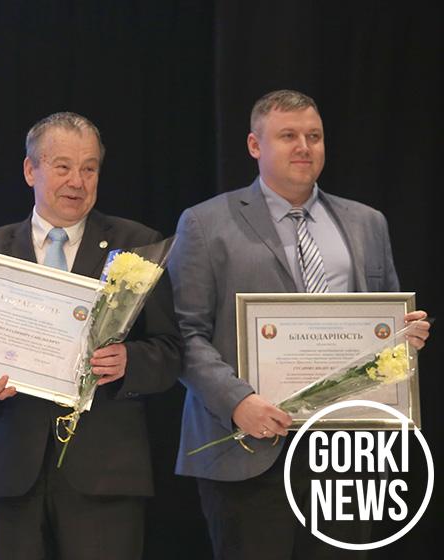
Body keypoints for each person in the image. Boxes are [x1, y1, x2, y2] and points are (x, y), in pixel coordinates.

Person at [168, 89, 431, 559]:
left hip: (346, 452)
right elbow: (184, 335)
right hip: (247, 447)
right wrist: (237, 402)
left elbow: (385, 323)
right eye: (288, 136)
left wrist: (406, 335)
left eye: (314, 136)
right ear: (255, 145)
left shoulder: (367, 222)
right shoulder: (205, 224)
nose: (304, 147)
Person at [0, 112, 183, 560]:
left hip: (106, 471)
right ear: (30, 170)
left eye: (89, 168)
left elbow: (170, 350)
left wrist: (129, 362)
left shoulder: (138, 245)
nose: (77, 181)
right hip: (11, 471)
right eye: (62, 167)